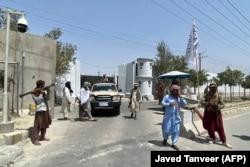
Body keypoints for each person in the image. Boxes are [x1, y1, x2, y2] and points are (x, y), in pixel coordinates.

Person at [201, 82, 232, 148]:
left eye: (214, 87)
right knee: (210, 127)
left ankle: (224, 141)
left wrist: (217, 106)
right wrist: (208, 103)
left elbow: (223, 104)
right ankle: (212, 138)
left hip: (216, 113)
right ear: (209, 88)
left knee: (220, 127)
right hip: (208, 112)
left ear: (216, 88)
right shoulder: (206, 95)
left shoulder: (219, 95)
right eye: (212, 87)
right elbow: (202, 102)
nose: (213, 88)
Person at [161, 84, 187, 151]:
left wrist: (181, 97)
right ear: (171, 90)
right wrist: (169, 104)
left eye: (176, 90)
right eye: (174, 90)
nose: (175, 91)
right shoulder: (167, 96)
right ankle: (165, 138)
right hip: (168, 117)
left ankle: (174, 143)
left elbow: (184, 103)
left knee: (176, 131)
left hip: (176, 117)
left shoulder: (178, 98)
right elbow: (162, 103)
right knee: (166, 130)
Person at [31, 80, 52, 146]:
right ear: (38, 85)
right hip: (39, 110)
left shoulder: (44, 91)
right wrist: (41, 95)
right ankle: (35, 139)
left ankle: (42, 137)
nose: (42, 86)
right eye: (41, 85)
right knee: (38, 125)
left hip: (45, 109)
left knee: (45, 123)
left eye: (43, 85)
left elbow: (48, 98)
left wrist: (46, 94)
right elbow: (37, 101)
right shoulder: (34, 92)